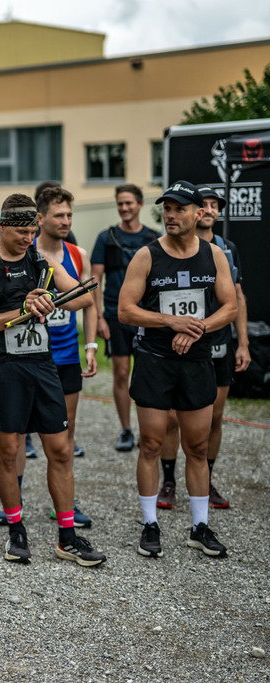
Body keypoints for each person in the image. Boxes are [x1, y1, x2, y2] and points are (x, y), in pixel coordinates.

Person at [0, 193, 105, 567]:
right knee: (8, 453)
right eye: (22, 232)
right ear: (3, 227)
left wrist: (52, 299)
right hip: (4, 368)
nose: (29, 238)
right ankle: (16, 529)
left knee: (60, 449)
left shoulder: (41, 259)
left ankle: (67, 535)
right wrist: (22, 310)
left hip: (43, 366)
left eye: (33, 231)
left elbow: (81, 300)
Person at [118, 180, 237, 559]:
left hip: (198, 359)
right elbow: (125, 310)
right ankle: (150, 524)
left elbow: (230, 306)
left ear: (198, 213)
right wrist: (170, 322)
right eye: (166, 208)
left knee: (197, 446)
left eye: (178, 208)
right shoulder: (147, 255)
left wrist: (198, 327)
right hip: (155, 359)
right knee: (152, 442)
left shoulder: (214, 255)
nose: (170, 215)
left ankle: (199, 527)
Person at [156, 185, 250, 511]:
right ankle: (168, 481)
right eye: (204, 203)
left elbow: (236, 299)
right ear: (196, 211)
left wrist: (244, 343)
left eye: (214, 205)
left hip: (217, 344)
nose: (209, 209)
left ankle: (205, 481)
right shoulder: (163, 248)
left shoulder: (226, 249)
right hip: (174, 348)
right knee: (169, 419)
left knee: (214, 418)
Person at [32, 187, 96, 526]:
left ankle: (67, 503)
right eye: (59, 215)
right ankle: (12, 503)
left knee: (65, 436)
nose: (66, 221)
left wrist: (91, 346)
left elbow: (89, 303)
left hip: (67, 354)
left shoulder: (77, 253)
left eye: (69, 215)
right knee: (16, 440)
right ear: (41, 218)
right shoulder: (24, 251)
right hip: (29, 355)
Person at [91, 184, 161, 452]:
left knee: (149, 376)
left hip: (148, 317)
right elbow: (95, 280)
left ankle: (149, 430)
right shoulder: (106, 238)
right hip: (115, 315)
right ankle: (126, 429)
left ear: (140, 204)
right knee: (121, 374)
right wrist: (99, 318)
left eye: (129, 203)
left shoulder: (154, 239)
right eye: (120, 203)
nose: (124, 208)